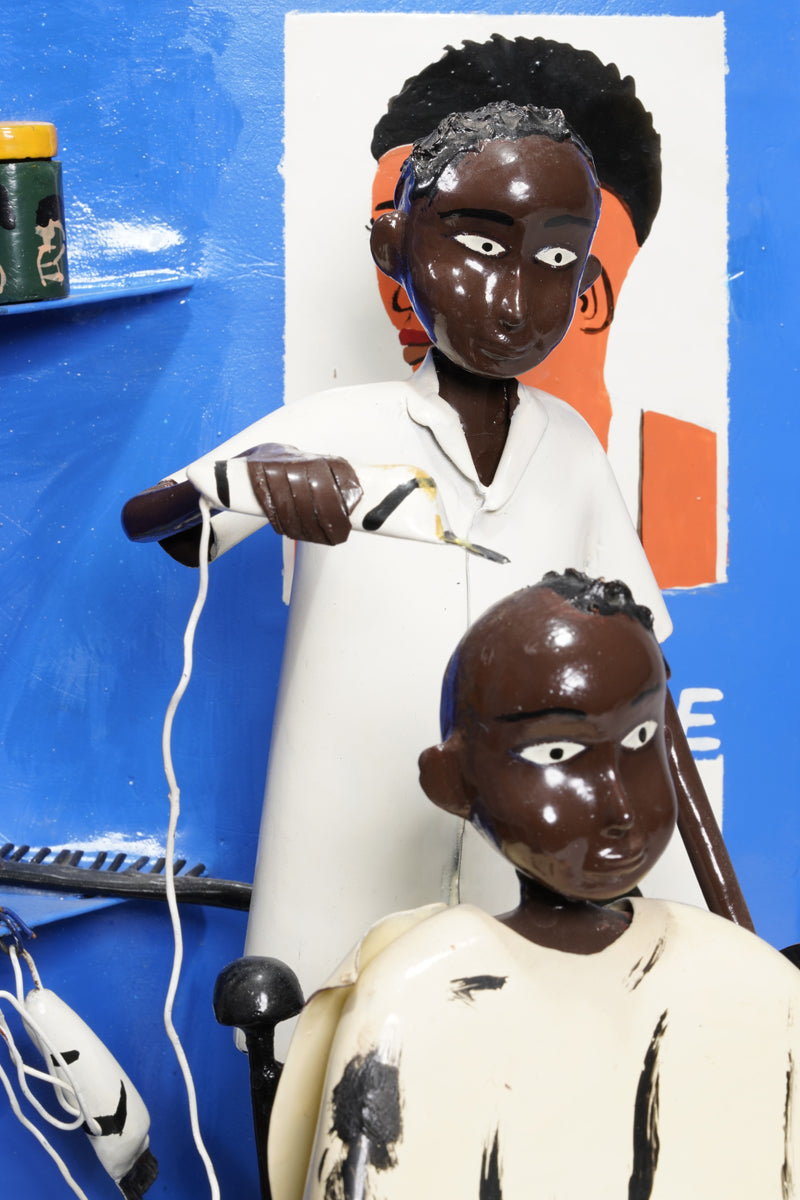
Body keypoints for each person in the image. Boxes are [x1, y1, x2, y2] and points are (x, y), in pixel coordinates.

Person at [123, 102, 745, 1004]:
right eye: (483, 247)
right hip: (351, 837)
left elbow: (646, 675)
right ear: (395, 250)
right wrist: (255, 479)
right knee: (324, 1064)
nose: (518, 296)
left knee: (514, 1073)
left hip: (527, 852)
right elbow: (161, 523)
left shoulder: (570, 448)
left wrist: (723, 912)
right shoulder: (335, 429)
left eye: (559, 260)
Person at [268, 571, 798, 1200]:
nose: (618, 804)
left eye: (640, 738)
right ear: (453, 783)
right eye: (556, 755)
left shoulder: (748, 980)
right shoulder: (424, 996)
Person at [369, 35, 718, 588]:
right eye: (399, 242)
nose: (401, 289)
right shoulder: (359, 433)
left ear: (588, 293)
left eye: (480, 245)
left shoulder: (686, 475)